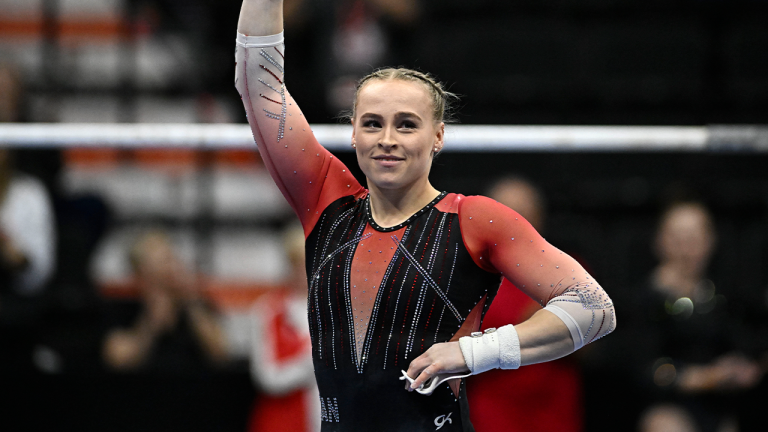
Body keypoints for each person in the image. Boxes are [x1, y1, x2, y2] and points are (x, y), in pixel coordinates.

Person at [234, 2, 616, 430]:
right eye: (373, 124)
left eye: (407, 124)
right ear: (353, 133)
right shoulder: (327, 202)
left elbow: (593, 308)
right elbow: (259, 84)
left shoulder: (473, 219)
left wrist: (476, 352)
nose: (388, 140)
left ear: (438, 136)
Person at [623, 201, 763, 432]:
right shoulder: (645, 299)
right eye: (678, 238)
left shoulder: (723, 295)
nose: (686, 248)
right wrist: (707, 377)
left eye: (694, 238)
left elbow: (746, 345)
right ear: (660, 241)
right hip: (667, 408)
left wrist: (742, 367)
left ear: (710, 241)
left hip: (720, 407)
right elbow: (643, 370)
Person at [466, 176, 584, 432]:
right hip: (492, 410)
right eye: (503, 215)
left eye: (523, 216)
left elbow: (594, 339)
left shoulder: (568, 270)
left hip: (554, 409)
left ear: (539, 220)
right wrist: (540, 323)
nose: (513, 225)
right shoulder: (467, 275)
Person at [102, 230, 228, 373]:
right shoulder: (124, 307)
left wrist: (190, 301)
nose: (171, 266)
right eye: (163, 261)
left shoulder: (198, 304)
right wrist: (150, 324)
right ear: (141, 271)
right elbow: (117, 359)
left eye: (172, 258)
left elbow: (221, 354)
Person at [248, 223, 320, 432]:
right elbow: (266, 376)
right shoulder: (269, 310)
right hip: (283, 420)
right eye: (299, 263)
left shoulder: (337, 310)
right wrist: (309, 363)